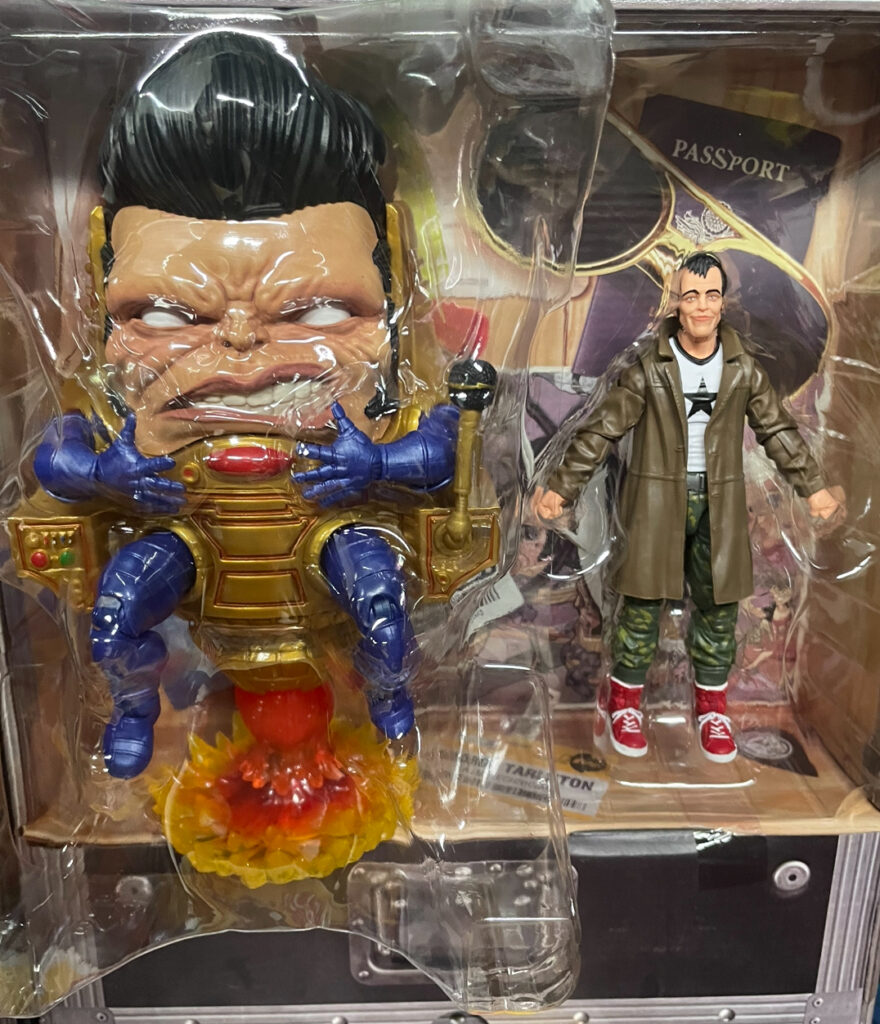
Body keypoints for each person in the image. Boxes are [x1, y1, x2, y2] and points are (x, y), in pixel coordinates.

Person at [533, 251, 843, 763]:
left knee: (720, 607)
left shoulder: (742, 368)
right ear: (676, 302)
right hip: (655, 502)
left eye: (711, 295)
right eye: (691, 295)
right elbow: (600, 430)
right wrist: (561, 486)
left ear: (723, 302)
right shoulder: (647, 368)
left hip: (719, 503)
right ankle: (624, 703)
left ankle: (712, 708)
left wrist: (814, 488)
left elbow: (778, 430)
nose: (701, 306)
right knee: (640, 606)